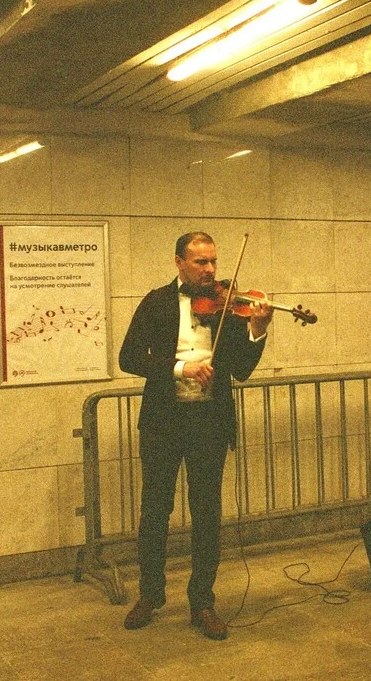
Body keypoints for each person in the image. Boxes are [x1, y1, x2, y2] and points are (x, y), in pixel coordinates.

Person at [119, 231, 273, 640]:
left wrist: (257, 329)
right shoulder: (156, 303)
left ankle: (202, 602)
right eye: (201, 262)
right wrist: (178, 368)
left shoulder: (228, 307)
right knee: (155, 511)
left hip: (209, 421)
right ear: (179, 263)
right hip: (162, 423)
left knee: (207, 513)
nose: (210, 270)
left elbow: (240, 367)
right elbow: (129, 357)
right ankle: (150, 594)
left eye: (213, 262)